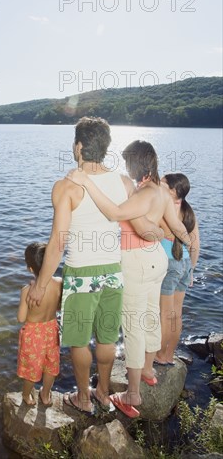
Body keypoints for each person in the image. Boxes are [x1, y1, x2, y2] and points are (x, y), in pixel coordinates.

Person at [27, 118, 163, 415]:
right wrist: (160, 233)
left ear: (78, 146)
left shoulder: (66, 187)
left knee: (77, 339)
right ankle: (103, 392)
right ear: (104, 148)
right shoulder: (124, 182)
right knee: (107, 336)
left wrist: (40, 285)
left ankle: (83, 398)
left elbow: (57, 243)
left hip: (80, 274)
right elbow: (141, 225)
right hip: (113, 272)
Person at [66, 140, 191, 418]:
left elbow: (114, 213)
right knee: (150, 316)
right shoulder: (160, 190)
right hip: (156, 259)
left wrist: (86, 181)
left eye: (127, 163)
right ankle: (148, 370)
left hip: (137, 263)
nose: (125, 168)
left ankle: (132, 393)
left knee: (134, 326)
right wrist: (191, 257)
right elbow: (178, 226)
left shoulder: (144, 192)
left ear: (137, 163)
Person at [155, 173, 200, 366]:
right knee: (176, 313)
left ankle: (158, 355)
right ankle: (168, 354)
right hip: (184, 264)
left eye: (163, 185)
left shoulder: (163, 210)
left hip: (169, 265)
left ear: (173, 191)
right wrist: (191, 270)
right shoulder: (189, 211)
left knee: (164, 313)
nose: (159, 186)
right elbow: (196, 244)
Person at [17, 242, 62, 406]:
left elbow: (21, 318)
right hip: (52, 329)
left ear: (30, 268)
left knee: (31, 368)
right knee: (51, 365)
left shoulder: (26, 291)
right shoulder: (59, 283)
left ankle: (27, 395)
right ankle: (45, 394)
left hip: (33, 335)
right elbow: (59, 307)